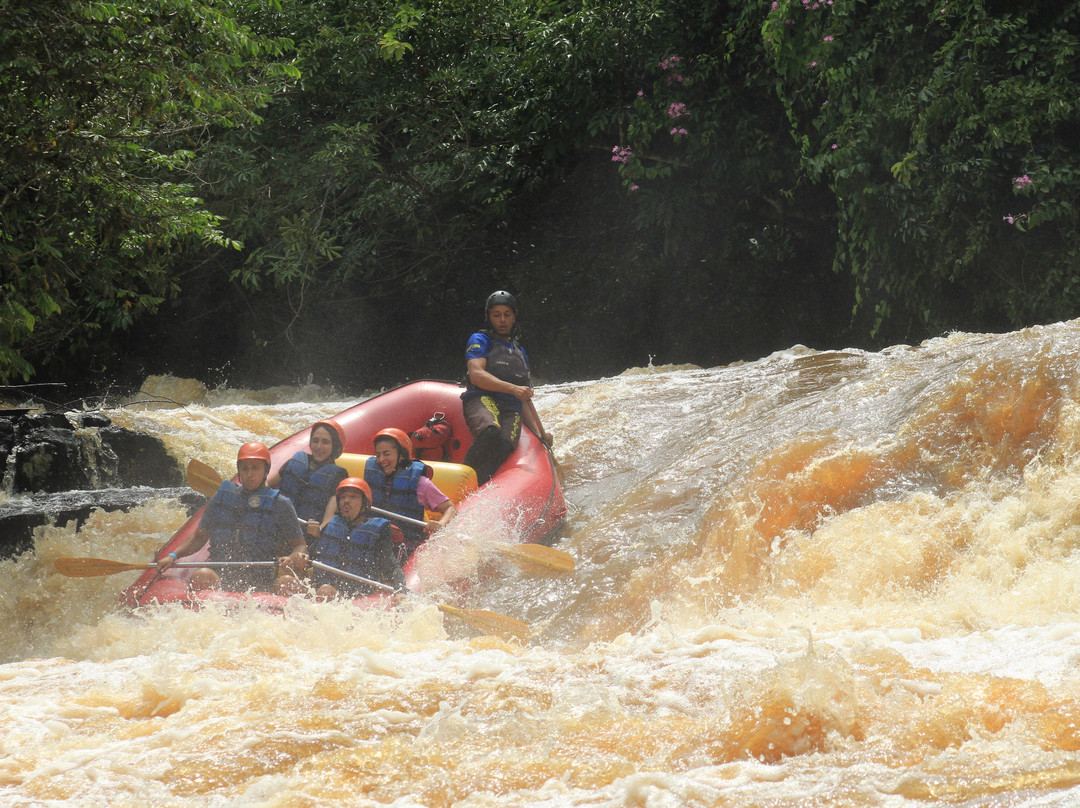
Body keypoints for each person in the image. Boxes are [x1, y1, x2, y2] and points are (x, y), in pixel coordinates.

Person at [157, 442, 305, 591]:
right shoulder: (222, 497)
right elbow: (198, 538)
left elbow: (300, 545)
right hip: (221, 576)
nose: (249, 474)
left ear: (266, 471)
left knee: (287, 582)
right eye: (244, 468)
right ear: (239, 470)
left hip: (260, 581)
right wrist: (173, 556)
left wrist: (291, 558)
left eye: (255, 468)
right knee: (201, 575)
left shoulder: (280, 503)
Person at [461, 290, 552, 484]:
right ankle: (459, 480)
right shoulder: (480, 340)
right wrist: (513, 389)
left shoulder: (520, 353)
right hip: (482, 398)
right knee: (490, 431)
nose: (502, 320)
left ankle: (477, 487)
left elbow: (525, 398)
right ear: (489, 317)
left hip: (512, 408)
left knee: (504, 445)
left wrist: (540, 434)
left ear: (514, 317)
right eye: (496, 315)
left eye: (507, 315)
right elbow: (477, 375)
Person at [279, 477, 404, 599]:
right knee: (284, 582)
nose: (346, 500)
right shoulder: (331, 526)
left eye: (353, 497)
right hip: (322, 588)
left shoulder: (378, 532)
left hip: (355, 595)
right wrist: (300, 558)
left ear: (365, 504)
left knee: (325, 591)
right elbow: (310, 555)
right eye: (343, 497)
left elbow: (392, 566)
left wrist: (400, 589)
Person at [364, 427, 457, 563]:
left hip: (407, 547)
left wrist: (441, 523)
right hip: (377, 543)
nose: (381, 459)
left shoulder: (421, 484)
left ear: (401, 455)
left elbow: (450, 508)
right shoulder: (374, 477)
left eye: (386, 454)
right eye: (378, 455)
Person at [267, 419, 348, 540]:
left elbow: (329, 517)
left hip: (305, 535)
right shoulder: (296, 461)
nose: (319, 447)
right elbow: (266, 485)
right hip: (278, 526)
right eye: (315, 441)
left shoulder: (338, 476)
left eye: (325, 442)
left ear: (334, 446)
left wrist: (319, 530)